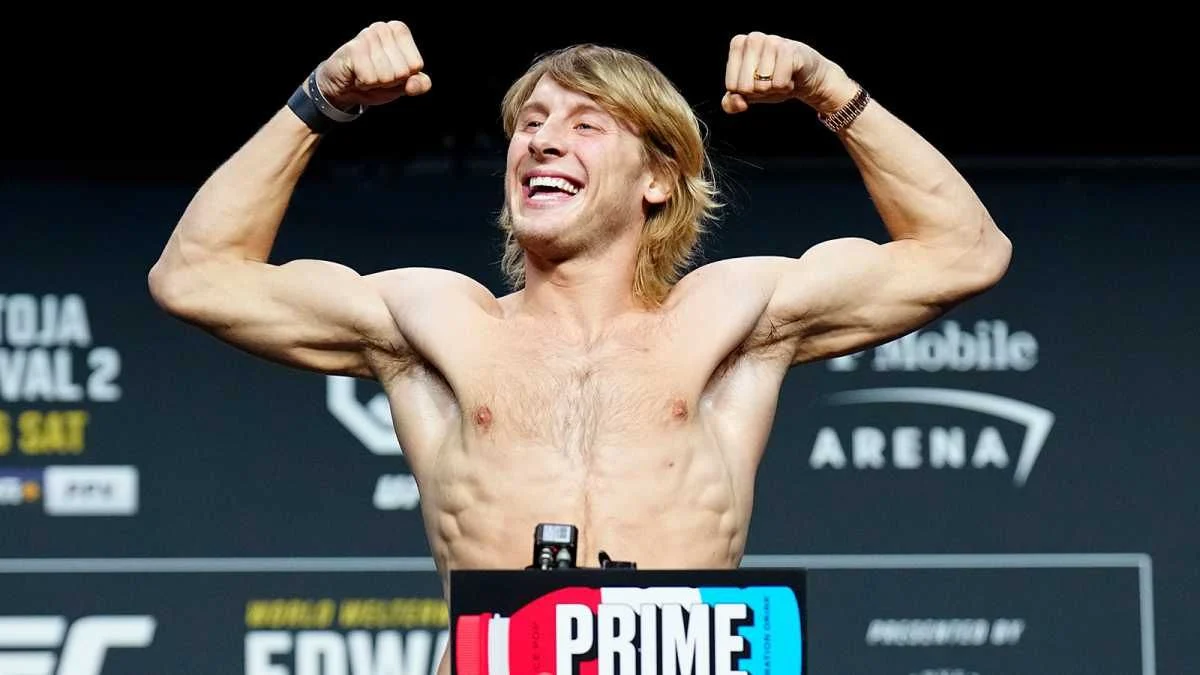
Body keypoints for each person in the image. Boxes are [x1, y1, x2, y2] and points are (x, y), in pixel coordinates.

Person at [149, 18, 1010, 662]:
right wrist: (319, 101)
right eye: (531, 123)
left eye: (585, 124)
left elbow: (965, 252)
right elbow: (193, 275)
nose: (543, 139)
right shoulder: (439, 324)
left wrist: (832, 92)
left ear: (660, 179)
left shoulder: (729, 318)